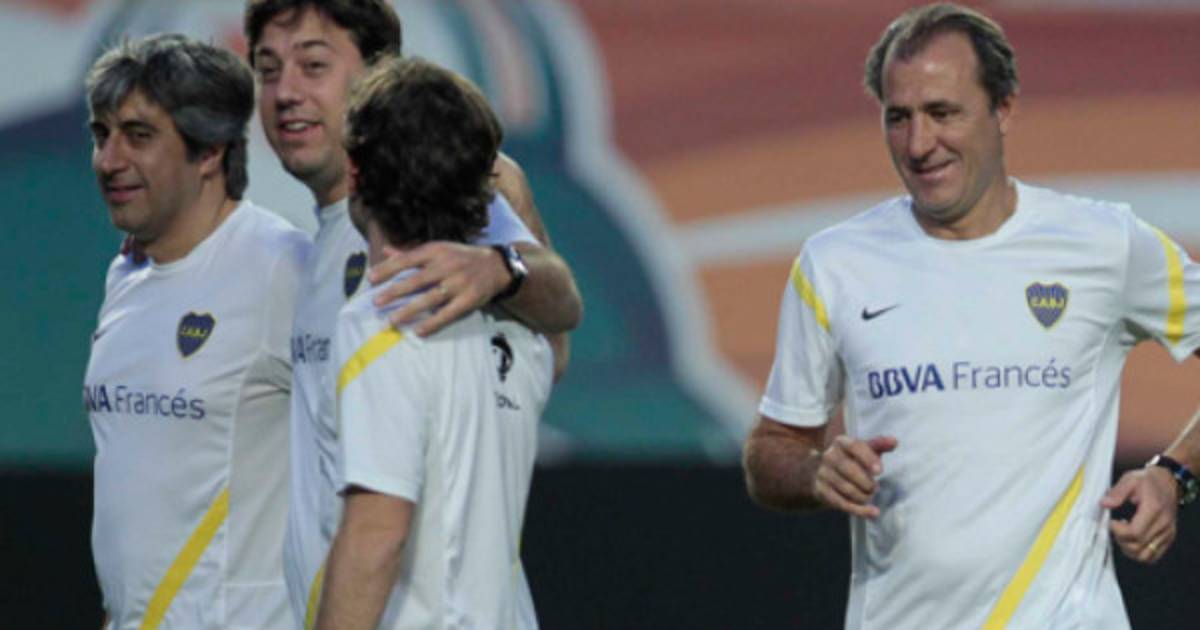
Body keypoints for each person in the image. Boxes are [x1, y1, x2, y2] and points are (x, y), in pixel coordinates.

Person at [742, 3, 1200, 628]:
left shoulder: (1105, 244)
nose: (919, 144)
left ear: (1003, 110)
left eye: (943, 113)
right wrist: (817, 471)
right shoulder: (834, 265)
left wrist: (1175, 474)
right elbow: (770, 453)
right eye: (898, 117)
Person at [241, 1, 582, 625]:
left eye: (313, 65)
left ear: (377, 74)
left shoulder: (446, 235)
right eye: (267, 70)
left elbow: (560, 312)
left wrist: (503, 267)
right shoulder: (315, 248)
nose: (285, 92)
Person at [313, 55, 551, 630]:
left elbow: (376, 535)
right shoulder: (525, 335)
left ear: (354, 173)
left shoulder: (380, 324)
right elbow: (560, 322)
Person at [82, 34, 308, 629]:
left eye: (139, 135)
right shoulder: (125, 274)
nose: (109, 160)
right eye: (102, 135)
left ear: (210, 152)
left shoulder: (283, 268)